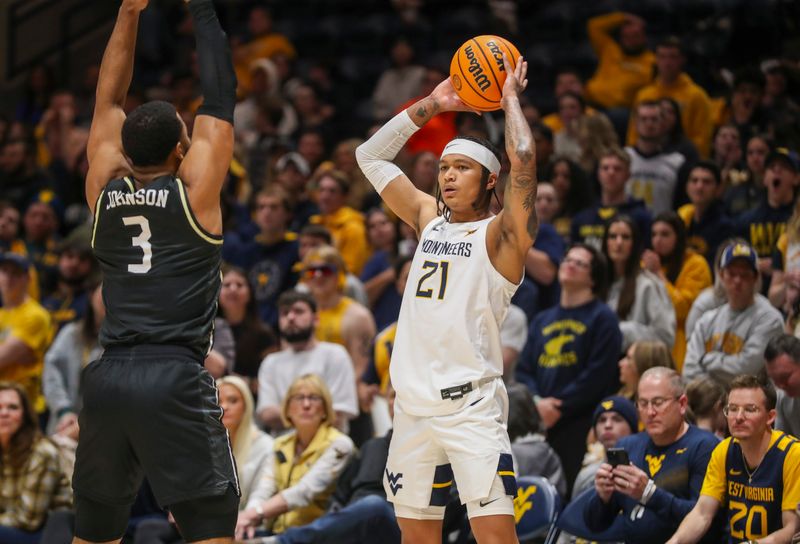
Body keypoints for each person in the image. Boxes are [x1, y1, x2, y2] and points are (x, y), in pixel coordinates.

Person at [73, 0, 241, 542]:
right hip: (171, 375)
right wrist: (203, 9)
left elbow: (107, 97)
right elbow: (220, 94)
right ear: (180, 148)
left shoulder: (102, 187)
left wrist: (127, 11)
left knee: (95, 531)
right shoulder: (195, 192)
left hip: (107, 377)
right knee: (211, 527)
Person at [355, 54, 536, 543]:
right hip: (411, 408)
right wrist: (432, 105)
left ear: (490, 180)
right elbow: (368, 157)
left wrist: (510, 102)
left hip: (470, 407)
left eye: (462, 167)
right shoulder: (426, 219)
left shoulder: (502, 237)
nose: (449, 176)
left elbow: (524, 161)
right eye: (443, 167)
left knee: (498, 539)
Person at [516, 243, 622, 493]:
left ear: (593, 278)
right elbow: (524, 370)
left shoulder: (603, 318)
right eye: (567, 259)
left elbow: (598, 375)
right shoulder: (542, 319)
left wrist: (558, 406)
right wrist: (537, 403)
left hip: (579, 422)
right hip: (540, 420)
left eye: (580, 263)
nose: (570, 264)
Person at [584, 368, 723, 544]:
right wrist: (603, 498)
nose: (650, 412)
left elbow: (706, 521)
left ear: (681, 404)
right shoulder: (627, 446)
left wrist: (649, 494)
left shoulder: (705, 446)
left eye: (658, 402)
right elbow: (595, 525)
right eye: (643, 403)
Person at [666, 375, 800, 544]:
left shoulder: (792, 454)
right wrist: (674, 542)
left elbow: (791, 530)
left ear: (770, 417)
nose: (738, 417)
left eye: (750, 409)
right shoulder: (724, 450)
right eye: (733, 409)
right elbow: (702, 513)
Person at [236, 374, 356, 539]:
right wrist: (247, 519)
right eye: (299, 398)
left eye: (314, 398)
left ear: (325, 407)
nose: (306, 405)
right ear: (287, 408)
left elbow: (304, 491)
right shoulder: (279, 444)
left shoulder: (340, 445)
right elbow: (264, 490)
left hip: (318, 535)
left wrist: (255, 513)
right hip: (277, 532)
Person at [683, 242, 784, 386]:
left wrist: (706, 359)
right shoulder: (707, 320)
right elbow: (689, 371)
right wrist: (713, 393)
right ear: (721, 275)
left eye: (745, 275)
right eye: (732, 274)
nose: (737, 280)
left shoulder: (770, 319)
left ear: (755, 278)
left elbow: (746, 370)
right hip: (707, 404)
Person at [257, 290, 358, 433]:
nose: (291, 317)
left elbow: (337, 415)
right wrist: (314, 412)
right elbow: (267, 414)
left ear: (316, 320)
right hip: (281, 446)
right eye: (285, 313)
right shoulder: (271, 362)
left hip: (329, 445)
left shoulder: (335, 354)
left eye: (298, 311)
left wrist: (288, 413)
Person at [0, 381, 72, 543]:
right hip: (12, 528)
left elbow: (29, 520)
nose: (4, 413)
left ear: (25, 415)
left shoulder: (42, 452)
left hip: (48, 535)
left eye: (13, 407)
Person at [642, 212, 712, 369]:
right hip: (650, 344)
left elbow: (683, 309)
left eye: (665, 234)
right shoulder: (645, 266)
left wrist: (659, 275)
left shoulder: (696, 264)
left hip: (685, 345)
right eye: (654, 234)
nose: (657, 240)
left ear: (679, 237)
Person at [627, 37, 712, 158]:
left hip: (684, 157)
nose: (667, 62)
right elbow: (633, 135)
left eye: (672, 57)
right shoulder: (644, 95)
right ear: (655, 59)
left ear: (682, 60)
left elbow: (702, 140)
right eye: (662, 57)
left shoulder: (697, 96)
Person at [602, 216, 676, 349]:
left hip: (637, 365)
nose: (618, 243)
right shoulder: (595, 284)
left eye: (625, 237)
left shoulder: (648, 284)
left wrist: (620, 330)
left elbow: (666, 337)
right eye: (613, 236)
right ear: (605, 243)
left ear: (634, 244)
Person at [42, 282, 104, 440]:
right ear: (91, 296)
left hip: (102, 430)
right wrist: (63, 409)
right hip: (64, 423)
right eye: (104, 290)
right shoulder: (71, 333)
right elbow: (51, 372)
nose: (108, 297)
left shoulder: (125, 343)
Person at [0, 253, 52, 416]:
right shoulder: (2, 314)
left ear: (27, 279)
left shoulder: (35, 315)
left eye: (16, 274)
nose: (9, 278)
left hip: (24, 408)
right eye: (4, 271)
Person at [570, 147, 651, 250]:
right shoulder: (582, 218)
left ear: (628, 175)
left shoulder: (641, 217)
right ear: (598, 174)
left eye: (617, 169)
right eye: (605, 168)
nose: (611, 173)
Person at [218, 265, 277, 386]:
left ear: (250, 293)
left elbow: (273, 378)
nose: (233, 289)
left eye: (239, 285)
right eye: (227, 285)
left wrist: (243, 383)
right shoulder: (206, 331)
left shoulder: (264, 334)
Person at [584, 12, 655, 112]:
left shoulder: (651, 61)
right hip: (590, 103)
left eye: (635, 35)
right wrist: (623, 17)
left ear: (644, 37)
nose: (630, 40)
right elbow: (593, 26)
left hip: (618, 110)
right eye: (626, 36)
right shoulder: (610, 49)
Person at [625, 101, 686, 215]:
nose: (649, 124)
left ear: (663, 124)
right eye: (643, 119)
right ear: (635, 123)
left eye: (654, 119)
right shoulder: (623, 158)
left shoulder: (677, 162)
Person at [572, 395, 638, 498]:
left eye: (617, 419)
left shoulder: (642, 471)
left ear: (633, 428)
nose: (607, 425)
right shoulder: (587, 476)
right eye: (602, 420)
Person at [677, 161, 735, 267]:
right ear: (686, 187)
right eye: (694, 181)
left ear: (718, 189)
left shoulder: (725, 227)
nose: (699, 186)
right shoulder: (680, 219)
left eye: (706, 182)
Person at [764, 334, 800, 439]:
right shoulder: (782, 397)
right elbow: (783, 446)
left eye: (785, 377)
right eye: (774, 379)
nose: (780, 385)